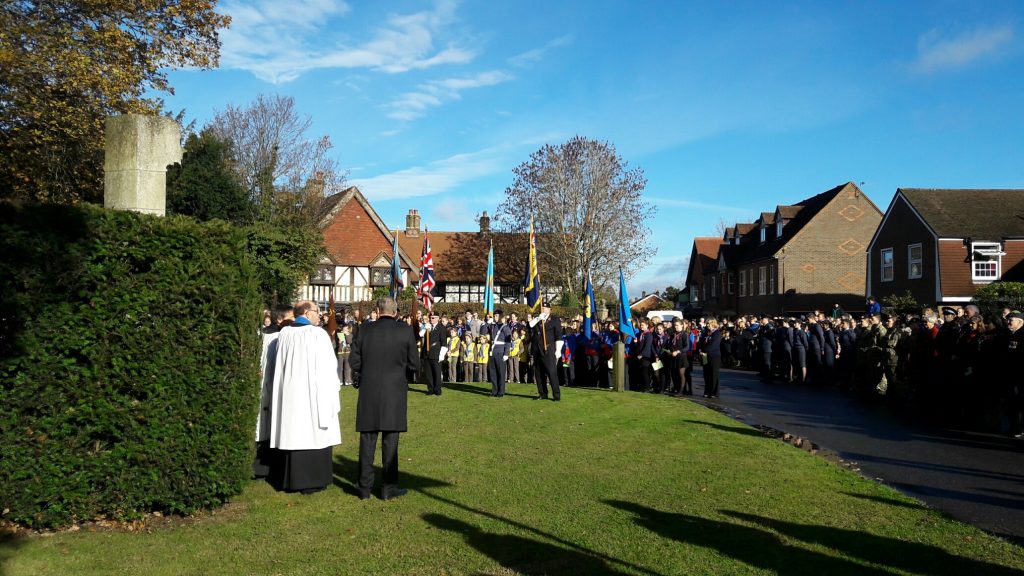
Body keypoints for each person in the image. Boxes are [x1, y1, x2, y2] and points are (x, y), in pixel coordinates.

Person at [267, 301, 342, 494]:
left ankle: (293, 478)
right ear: (307, 313)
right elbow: (328, 366)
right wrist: (333, 389)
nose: (320, 316)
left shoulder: (284, 335)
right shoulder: (318, 335)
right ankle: (314, 479)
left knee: (294, 431)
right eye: (317, 312)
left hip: (291, 394)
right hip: (312, 395)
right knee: (313, 432)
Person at [349, 296, 419, 500]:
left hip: (369, 390)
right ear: (395, 312)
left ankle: (364, 488)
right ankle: (388, 488)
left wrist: (365, 372)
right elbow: (414, 363)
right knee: (391, 441)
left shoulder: (364, 330)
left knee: (367, 440)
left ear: (377, 312)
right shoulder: (404, 331)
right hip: (394, 391)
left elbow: (354, 360)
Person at [530, 300, 563, 401]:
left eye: (545, 308)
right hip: (537, 349)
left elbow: (558, 336)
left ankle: (556, 395)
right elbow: (530, 325)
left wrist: (558, 350)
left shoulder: (554, 320)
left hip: (548, 349)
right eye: (542, 308)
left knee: (551, 372)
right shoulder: (538, 319)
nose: (543, 310)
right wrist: (538, 318)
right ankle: (542, 394)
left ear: (549, 309)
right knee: (538, 373)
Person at [485, 309, 513, 396]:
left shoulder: (505, 327)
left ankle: (501, 391)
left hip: (501, 352)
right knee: (493, 372)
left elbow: (508, 341)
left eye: (497, 316)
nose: (495, 317)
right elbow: (483, 331)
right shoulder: (492, 326)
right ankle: (494, 390)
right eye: (494, 316)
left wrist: (506, 354)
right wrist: (487, 323)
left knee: (501, 372)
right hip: (493, 351)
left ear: (501, 317)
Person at [420, 312, 446, 396]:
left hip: (436, 353)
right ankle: (430, 389)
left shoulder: (441, 328)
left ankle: (437, 389)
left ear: (438, 318)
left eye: (434, 318)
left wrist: (441, 355)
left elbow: (444, 343)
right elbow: (420, 335)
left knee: (437, 372)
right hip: (426, 353)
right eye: (431, 318)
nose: (432, 319)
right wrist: (424, 328)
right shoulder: (427, 327)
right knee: (428, 373)